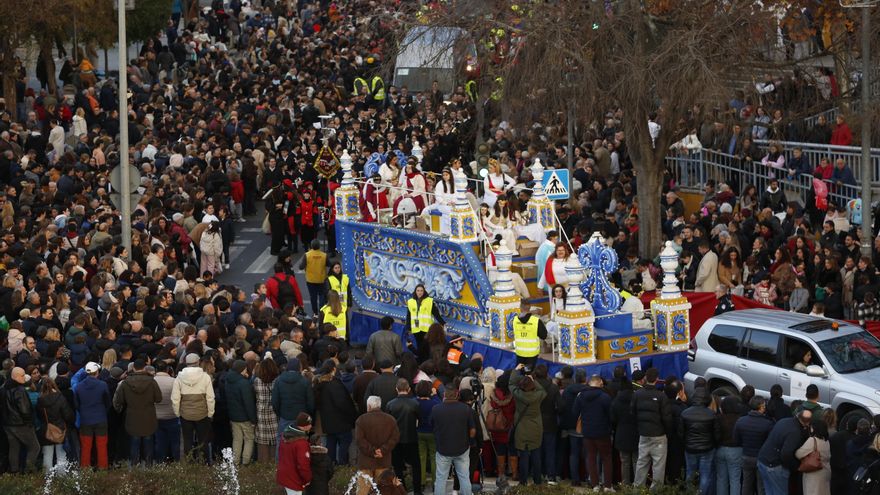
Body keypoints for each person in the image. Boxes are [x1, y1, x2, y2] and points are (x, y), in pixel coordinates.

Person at [112, 358, 162, 466]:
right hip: (149, 417)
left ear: (133, 368)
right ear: (144, 367)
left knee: (134, 443)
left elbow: (118, 400)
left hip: (132, 417)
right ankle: (149, 467)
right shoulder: (152, 381)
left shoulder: (125, 383)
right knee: (148, 443)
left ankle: (134, 467)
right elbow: (159, 398)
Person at [632, 367, 673, 487]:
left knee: (641, 464)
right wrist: (667, 432)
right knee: (658, 467)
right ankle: (656, 491)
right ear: (657, 379)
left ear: (645, 378)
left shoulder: (637, 394)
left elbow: (632, 413)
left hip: (644, 434)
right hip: (659, 435)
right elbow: (667, 418)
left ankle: (637, 490)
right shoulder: (661, 396)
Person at [757, 408, 813, 495]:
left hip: (763, 460)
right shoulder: (795, 432)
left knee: (769, 491)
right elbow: (786, 454)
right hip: (774, 466)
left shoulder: (783, 421)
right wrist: (797, 466)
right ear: (807, 423)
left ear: (798, 415)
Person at [172, 353, 216, 463]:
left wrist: (177, 413)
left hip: (185, 414)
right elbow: (210, 398)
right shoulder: (205, 377)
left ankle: (189, 462)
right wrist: (210, 413)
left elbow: (175, 398)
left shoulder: (179, 377)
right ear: (198, 362)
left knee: (187, 440)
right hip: (202, 413)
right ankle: (204, 462)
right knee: (203, 440)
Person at [431, 388, 476, 495]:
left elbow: (432, 425)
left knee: (441, 478)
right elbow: (473, 430)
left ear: (444, 395)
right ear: (457, 395)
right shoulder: (466, 409)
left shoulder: (436, 409)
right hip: (462, 448)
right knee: (464, 477)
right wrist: (469, 442)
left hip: (443, 448)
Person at [574, 374, 613, 491]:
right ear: (600, 384)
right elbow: (611, 415)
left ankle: (595, 485)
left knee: (590, 458)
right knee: (606, 458)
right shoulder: (605, 397)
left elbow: (574, 412)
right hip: (603, 432)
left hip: (587, 432)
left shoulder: (580, 396)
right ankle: (607, 486)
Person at [314, 360, 357, 466]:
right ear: (333, 369)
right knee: (344, 443)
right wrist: (353, 417)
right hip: (341, 422)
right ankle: (341, 465)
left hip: (328, 423)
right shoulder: (335, 384)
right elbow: (343, 403)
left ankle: (330, 465)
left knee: (331, 444)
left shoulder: (319, 384)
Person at [355, 396, 400, 495]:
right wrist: (382, 450)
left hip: (365, 462)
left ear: (369, 406)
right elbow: (395, 438)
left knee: (362, 490)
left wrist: (372, 451)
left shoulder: (361, 420)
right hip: (383, 461)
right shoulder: (390, 419)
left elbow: (359, 440)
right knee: (383, 490)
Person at [510, 364, 546, 486]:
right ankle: (537, 481)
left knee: (524, 457)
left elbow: (511, 384)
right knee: (536, 456)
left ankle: (523, 481)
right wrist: (532, 379)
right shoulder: (538, 395)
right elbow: (542, 390)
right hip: (536, 427)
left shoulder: (518, 395)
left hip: (521, 428)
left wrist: (516, 371)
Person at [679, 387, 720, 494]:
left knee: (690, 473)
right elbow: (717, 434)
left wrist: (686, 444)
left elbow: (681, 433)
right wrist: (713, 445)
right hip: (707, 449)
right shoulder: (711, 414)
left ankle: (689, 492)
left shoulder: (685, 413)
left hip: (690, 448)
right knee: (705, 475)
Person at [387, 379, 422, 495]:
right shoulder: (415, 404)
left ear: (396, 389)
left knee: (397, 467)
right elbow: (420, 419)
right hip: (412, 437)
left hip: (396, 440)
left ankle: (402, 490)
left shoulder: (390, 404)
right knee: (416, 465)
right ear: (409, 389)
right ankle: (417, 490)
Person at [735, 396, 775, 495]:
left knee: (746, 484)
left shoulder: (741, 421)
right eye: (764, 406)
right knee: (761, 486)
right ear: (761, 407)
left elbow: (736, 439)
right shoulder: (768, 424)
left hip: (746, 456)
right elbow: (770, 443)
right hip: (761, 458)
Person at [271, 358, 315, 450]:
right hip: (301, 418)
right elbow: (311, 403)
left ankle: (281, 462)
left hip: (285, 416)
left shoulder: (279, 381)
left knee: (282, 441)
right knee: (301, 442)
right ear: (299, 368)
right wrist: (308, 416)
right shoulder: (305, 382)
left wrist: (280, 413)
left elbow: (275, 402)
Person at [4, 366, 41, 472]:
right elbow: (25, 409)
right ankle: (28, 472)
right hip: (21, 424)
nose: (25, 377)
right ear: (15, 377)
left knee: (14, 448)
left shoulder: (3, 389)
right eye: (22, 375)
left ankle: (14, 473)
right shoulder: (19, 390)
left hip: (8, 425)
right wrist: (30, 423)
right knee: (35, 447)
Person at [76, 361, 111, 469]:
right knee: (101, 446)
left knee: (86, 446)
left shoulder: (79, 386)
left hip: (85, 419)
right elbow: (107, 402)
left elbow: (77, 404)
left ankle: (85, 469)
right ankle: (102, 468)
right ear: (97, 372)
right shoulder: (102, 385)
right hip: (100, 418)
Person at [37, 377, 74, 470]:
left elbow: (39, 415)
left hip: (46, 429)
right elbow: (68, 415)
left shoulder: (40, 400)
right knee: (61, 454)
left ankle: (47, 478)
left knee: (47, 455)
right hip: (60, 429)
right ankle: (61, 477)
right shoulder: (60, 397)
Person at [226, 359, 257, 466]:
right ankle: (245, 462)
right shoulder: (244, 383)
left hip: (233, 416)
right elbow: (248, 403)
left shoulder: (228, 380)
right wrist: (253, 419)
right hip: (245, 417)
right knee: (249, 439)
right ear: (242, 370)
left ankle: (235, 462)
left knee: (237, 440)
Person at [610, 377, 639, 485]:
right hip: (636, 433)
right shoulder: (636, 398)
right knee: (637, 461)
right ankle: (638, 485)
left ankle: (625, 484)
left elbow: (612, 419)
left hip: (621, 433)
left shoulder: (616, 401)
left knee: (625, 462)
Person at [405, 285, 445, 361]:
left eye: (421, 291)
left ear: (424, 292)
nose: (419, 292)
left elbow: (435, 313)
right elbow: (409, 315)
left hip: (427, 330)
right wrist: (408, 327)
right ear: (415, 291)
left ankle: (426, 361)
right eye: (418, 290)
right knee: (419, 347)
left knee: (427, 347)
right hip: (416, 329)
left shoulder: (429, 301)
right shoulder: (410, 302)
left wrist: (442, 322)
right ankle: (421, 361)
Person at [277, 413, 314, 495]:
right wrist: (308, 479)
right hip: (294, 479)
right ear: (304, 426)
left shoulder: (286, 435)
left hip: (284, 474)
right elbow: (303, 465)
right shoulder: (302, 443)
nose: (311, 426)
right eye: (309, 424)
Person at [795, 421, 832, 495]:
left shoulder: (812, 440)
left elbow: (798, 454)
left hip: (814, 474)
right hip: (826, 471)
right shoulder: (826, 441)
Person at [512, 302, 548, 369]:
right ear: (530, 308)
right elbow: (544, 336)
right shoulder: (536, 321)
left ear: (520, 308)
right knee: (529, 375)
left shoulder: (515, 320)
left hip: (520, 352)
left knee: (519, 373)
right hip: (532, 354)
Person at [299, 240, 329, 315]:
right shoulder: (324, 255)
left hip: (310, 280)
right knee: (322, 296)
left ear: (311, 246)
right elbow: (329, 264)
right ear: (319, 246)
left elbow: (301, 267)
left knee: (313, 297)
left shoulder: (307, 255)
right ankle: (321, 310)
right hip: (321, 279)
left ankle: (315, 312)